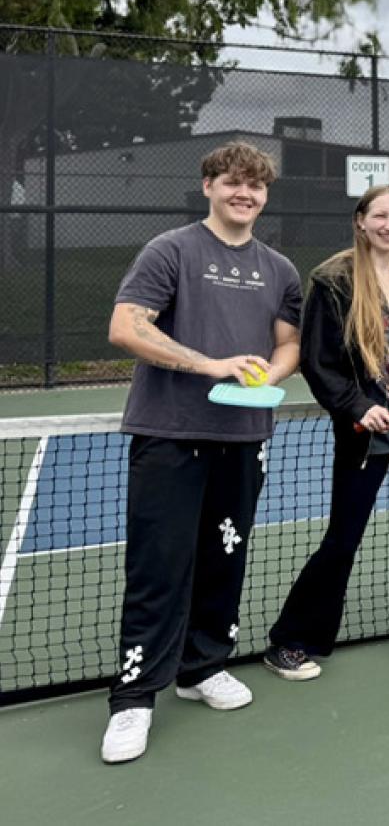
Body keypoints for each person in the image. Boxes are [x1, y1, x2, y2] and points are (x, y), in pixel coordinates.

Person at [101, 142, 302, 764]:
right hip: (169, 432)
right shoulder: (171, 250)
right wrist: (208, 364)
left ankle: (203, 666)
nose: (246, 194)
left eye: (257, 186)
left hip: (243, 440)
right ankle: (134, 698)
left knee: (224, 559)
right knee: (160, 568)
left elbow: (289, 342)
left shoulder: (280, 269)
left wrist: (270, 372)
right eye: (234, 183)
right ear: (209, 185)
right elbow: (126, 325)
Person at [262, 185, 389, 682]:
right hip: (368, 430)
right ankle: (291, 641)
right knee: (344, 535)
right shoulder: (332, 280)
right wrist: (359, 407)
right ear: (361, 220)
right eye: (381, 215)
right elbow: (318, 361)